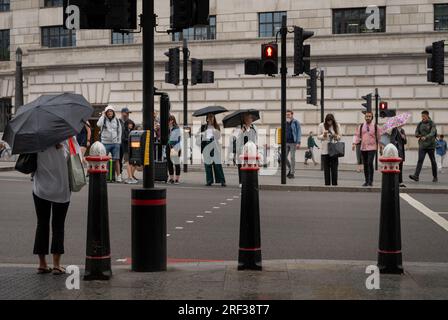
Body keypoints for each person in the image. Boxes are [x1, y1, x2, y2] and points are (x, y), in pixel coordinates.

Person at [32, 139, 75, 275]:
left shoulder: (36, 139)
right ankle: (56, 265)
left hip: (40, 189)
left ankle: (42, 264)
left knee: (42, 224)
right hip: (61, 190)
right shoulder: (68, 138)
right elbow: (76, 158)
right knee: (58, 226)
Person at [410, 110, 438, 183]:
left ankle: (435, 176)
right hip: (422, 145)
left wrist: (426, 137)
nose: (423, 118)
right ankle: (416, 176)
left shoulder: (432, 123)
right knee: (420, 160)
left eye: (424, 116)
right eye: (422, 116)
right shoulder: (420, 124)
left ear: (427, 116)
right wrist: (418, 135)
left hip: (431, 146)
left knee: (433, 161)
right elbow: (416, 132)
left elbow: (433, 132)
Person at [354, 112, 381, 187]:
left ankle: (370, 180)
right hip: (363, 148)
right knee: (365, 165)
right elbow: (357, 135)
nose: (368, 118)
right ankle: (366, 181)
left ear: (372, 117)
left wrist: (381, 148)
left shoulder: (375, 126)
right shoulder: (361, 126)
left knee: (369, 163)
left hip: (372, 148)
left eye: (369, 116)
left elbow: (379, 138)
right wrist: (355, 143)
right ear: (365, 117)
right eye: (366, 116)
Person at [97, 105, 122, 182]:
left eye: (111, 111)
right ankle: (102, 175)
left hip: (115, 143)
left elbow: (119, 131)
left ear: (113, 112)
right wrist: (102, 116)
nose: (110, 113)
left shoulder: (117, 120)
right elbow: (98, 124)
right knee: (103, 160)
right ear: (106, 113)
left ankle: (118, 176)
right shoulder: (103, 119)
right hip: (105, 143)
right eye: (108, 111)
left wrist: (118, 141)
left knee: (117, 159)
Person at [200, 114, 226, 187]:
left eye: (212, 117)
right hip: (206, 146)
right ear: (207, 119)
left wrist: (214, 130)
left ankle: (222, 180)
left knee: (217, 164)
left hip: (214, 146)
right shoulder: (204, 127)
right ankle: (209, 180)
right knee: (208, 165)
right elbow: (200, 136)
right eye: (209, 117)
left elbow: (218, 137)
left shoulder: (216, 126)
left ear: (214, 118)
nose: (210, 119)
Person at [318, 114, 341, 186]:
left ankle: (334, 184)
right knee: (326, 168)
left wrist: (335, 135)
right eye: (328, 121)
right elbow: (318, 136)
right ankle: (327, 184)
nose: (329, 123)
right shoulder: (321, 125)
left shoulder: (337, 125)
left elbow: (339, 136)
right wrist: (324, 135)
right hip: (325, 150)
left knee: (334, 168)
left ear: (333, 120)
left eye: (330, 121)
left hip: (334, 150)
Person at [236, 112, 258, 185]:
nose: (250, 119)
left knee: (251, 165)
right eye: (248, 118)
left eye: (251, 118)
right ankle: (241, 181)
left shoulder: (254, 127)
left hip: (251, 149)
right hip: (242, 149)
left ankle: (250, 181)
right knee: (241, 165)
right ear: (245, 120)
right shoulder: (240, 128)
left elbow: (256, 138)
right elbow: (236, 138)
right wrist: (241, 132)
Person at [285, 110, 302, 179]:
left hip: (293, 143)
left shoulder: (296, 122)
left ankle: (292, 173)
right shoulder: (284, 122)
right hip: (286, 142)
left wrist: (298, 142)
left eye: (289, 114)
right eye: (286, 115)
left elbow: (299, 133)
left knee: (292, 157)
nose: (287, 116)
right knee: (283, 157)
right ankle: (290, 168)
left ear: (292, 115)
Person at [167, 115, 181, 184]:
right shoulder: (167, 128)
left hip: (175, 147)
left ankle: (177, 179)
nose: (169, 122)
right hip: (168, 147)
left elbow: (175, 138)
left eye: (170, 120)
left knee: (176, 163)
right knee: (169, 163)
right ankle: (171, 178)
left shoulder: (176, 128)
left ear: (173, 120)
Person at [119, 107, 133, 179]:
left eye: (128, 113)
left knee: (128, 160)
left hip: (126, 144)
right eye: (126, 113)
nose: (127, 114)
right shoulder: (118, 121)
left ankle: (131, 175)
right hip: (119, 143)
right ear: (122, 113)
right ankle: (120, 174)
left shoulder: (129, 122)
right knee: (119, 159)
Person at [124, 120, 138, 184]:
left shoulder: (133, 131)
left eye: (132, 124)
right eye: (130, 124)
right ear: (127, 124)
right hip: (126, 149)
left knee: (134, 163)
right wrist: (131, 139)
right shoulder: (124, 131)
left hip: (133, 149)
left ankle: (131, 176)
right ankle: (130, 177)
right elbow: (123, 139)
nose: (131, 125)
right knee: (128, 163)